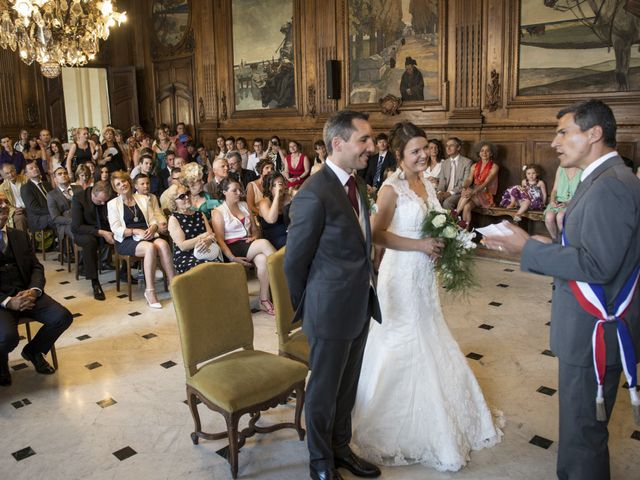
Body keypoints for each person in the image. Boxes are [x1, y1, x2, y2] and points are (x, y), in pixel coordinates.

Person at [484, 99, 640, 480]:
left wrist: (528, 248)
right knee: (580, 425)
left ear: (594, 134)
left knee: (583, 432)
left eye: (563, 132)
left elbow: (596, 266)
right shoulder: (602, 179)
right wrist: (546, 243)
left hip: (594, 331)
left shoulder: (611, 187)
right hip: (587, 327)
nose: (555, 143)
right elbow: (592, 251)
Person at [351, 121, 502, 471]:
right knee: (402, 338)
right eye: (415, 151)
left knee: (431, 331)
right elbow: (375, 234)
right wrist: (419, 245)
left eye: (425, 148)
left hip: (422, 275)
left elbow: (434, 222)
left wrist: (444, 242)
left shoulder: (426, 184)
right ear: (401, 155)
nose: (423, 155)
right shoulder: (391, 188)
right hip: (400, 275)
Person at [285, 110, 382, 480]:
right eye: (364, 140)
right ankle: (321, 463)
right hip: (328, 309)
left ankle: (342, 448)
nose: (371, 147)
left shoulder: (355, 185)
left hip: (359, 304)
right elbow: (294, 263)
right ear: (337, 144)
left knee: (347, 386)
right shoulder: (314, 193)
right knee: (324, 391)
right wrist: (310, 305)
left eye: (370, 140)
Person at [0, 190, 73, 386]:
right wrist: (8, 301)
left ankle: (34, 350)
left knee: (62, 317)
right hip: (1, 301)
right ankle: (1, 361)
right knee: (7, 338)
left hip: (26, 291)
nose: (4, 206)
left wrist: (34, 290)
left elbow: (36, 266)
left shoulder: (19, 235)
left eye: (5, 202)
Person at [107, 171, 175, 309]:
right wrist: (134, 231)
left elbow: (153, 219)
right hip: (126, 239)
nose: (122, 185)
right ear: (115, 189)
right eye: (118, 184)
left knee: (163, 244)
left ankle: (174, 284)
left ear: (129, 182)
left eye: (124, 181)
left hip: (147, 234)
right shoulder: (112, 204)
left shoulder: (143, 199)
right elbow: (116, 229)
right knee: (150, 248)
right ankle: (150, 292)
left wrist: (153, 228)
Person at [211, 178, 276, 315]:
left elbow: (255, 229)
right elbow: (220, 240)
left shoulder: (244, 205)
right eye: (234, 190)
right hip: (232, 248)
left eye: (239, 189)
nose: (239, 193)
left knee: (262, 260)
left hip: (248, 243)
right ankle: (284, 275)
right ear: (224, 192)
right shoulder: (218, 211)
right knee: (264, 244)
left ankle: (264, 300)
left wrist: (255, 236)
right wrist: (232, 258)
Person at [71, 180, 115, 301]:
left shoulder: (106, 199)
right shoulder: (79, 198)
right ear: (93, 194)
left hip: (103, 228)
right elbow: (76, 226)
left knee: (123, 234)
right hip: (84, 231)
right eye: (99, 201)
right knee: (90, 242)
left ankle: (124, 271)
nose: (102, 203)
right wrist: (102, 233)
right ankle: (95, 282)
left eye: (104, 201)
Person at [166, 184, 221, 274]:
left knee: (218, 266)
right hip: (185, 256)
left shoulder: (200, 214)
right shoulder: (174, 219)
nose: (187, 197)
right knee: (203, 268)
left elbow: (211, 235)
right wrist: (202, 237)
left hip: (206, 251)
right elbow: (183, 246)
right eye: (182, 196)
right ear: (174, 202)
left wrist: (208, 240)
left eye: (187, 193)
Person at [456, 142, 500, 228]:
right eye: (482, 150)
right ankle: (465, 233)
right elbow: (469, 179)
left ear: (491, 153)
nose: (484, 153)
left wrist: (473, 191)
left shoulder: (494, 167)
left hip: (486, 193)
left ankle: (455, 213)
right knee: (467, 207)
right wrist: (465, 187)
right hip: (474, 193)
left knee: (468, 193)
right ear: (479, 153)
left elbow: (485, 183)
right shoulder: (474, 166)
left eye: (487, 151)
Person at [46, 167, 83, 244]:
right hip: (66, 224)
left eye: (65, 173)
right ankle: (80, 254)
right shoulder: (51, 195)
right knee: (77, 232)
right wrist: (72, 221)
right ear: (55, 179)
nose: (63, 175)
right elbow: (55, 218)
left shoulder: (79, 188)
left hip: (83, 219)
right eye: (60, 174)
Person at [544, 166, 581, 240]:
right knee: (549, 217)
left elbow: (582, 193)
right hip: (558, 201)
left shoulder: (582, 169)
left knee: (560, 217)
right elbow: (554, 190)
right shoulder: (561, 168)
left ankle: (565, 241)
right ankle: (556, 240)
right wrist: (552, 201)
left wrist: (567, 203)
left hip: (574, 202)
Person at [437, 137, 473, 210]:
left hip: (459, 193)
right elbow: (442, 181)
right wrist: (440, 192)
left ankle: (449, 221)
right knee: (434, 200)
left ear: (458, 147)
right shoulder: (444, 163)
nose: (448, 148)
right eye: (447, 146)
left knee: (447, 203)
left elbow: (464, 183)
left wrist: (450, 193)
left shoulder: (467, 162)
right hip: (445, 191)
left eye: (451, 146)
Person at [257, 172, 290, 249]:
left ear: (285, 185)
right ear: (269, 188)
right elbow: (272, 220)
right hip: (274, 238)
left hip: (290, 233)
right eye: (274, 186)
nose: (279, 188)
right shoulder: (264, 202)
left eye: (280, 184)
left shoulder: (289, 197)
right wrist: (277, 196)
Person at [21, 160, 56, 233]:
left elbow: (56, 199)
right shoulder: (26, 188)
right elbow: (35, 209)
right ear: (27, 174)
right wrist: (54, 211)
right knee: (60, 219)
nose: (35, 169)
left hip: (51, 213)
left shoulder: (47, 184)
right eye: (31, 168)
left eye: (36, 167)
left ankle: (65, 242)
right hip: (38, 219)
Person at [0, 164, 28, 232]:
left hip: (29, 207)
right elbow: (4, 204)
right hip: (16, 211)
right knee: (19, 218)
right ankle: (23, 241)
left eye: (12, 171)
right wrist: (14, 210)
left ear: (15, 170)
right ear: (4, 176)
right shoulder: (2, 187)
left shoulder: (25, 179)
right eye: (7, 173)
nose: (11, 174)